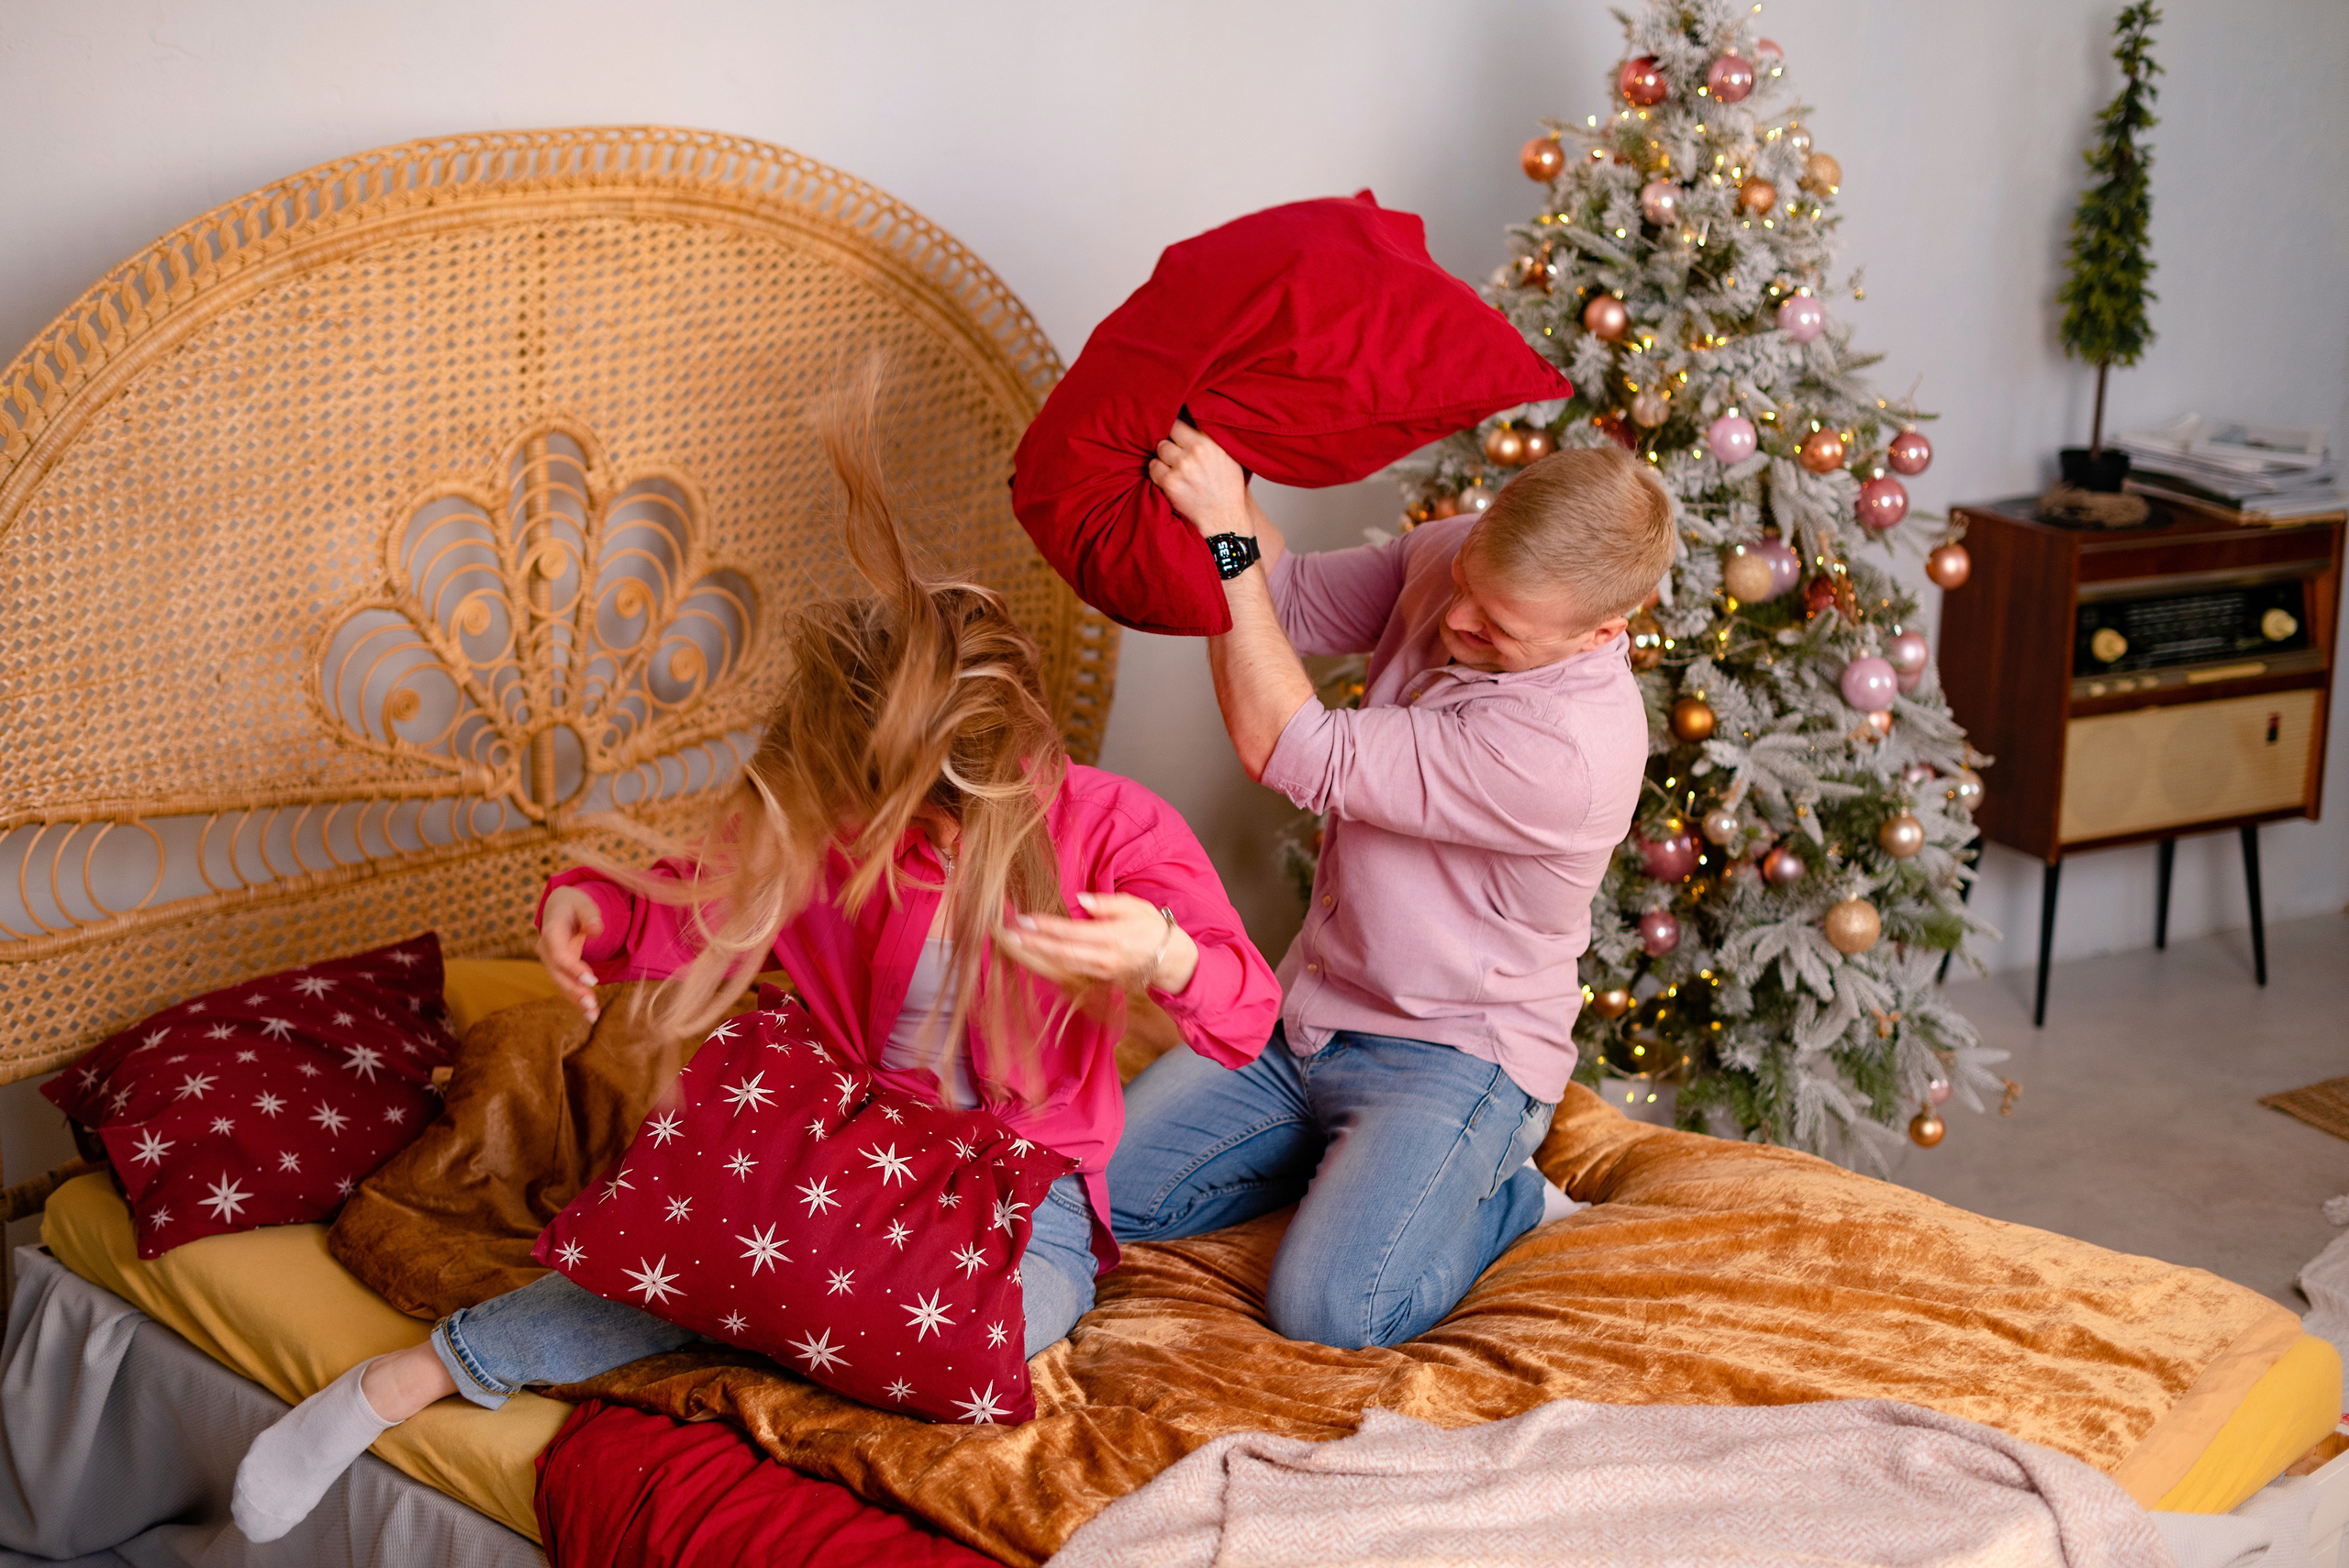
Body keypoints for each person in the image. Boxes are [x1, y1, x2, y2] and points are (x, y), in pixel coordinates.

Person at [229, 365, 1281, 1544]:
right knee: (715, 1256)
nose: (909, 844)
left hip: (1010, 1189)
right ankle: (408, 1378)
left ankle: (762, 1304)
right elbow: (693, 898)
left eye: (933, 823)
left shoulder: (1114, 827)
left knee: (987, 1328)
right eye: (881, 817)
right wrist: (589, 911)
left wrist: (1171, 955)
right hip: (823, 1135)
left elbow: (1245, 1016)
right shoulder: (824, 817)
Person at [1107, 425, 1675, 1351]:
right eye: (1464, 590)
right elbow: (1283, 601)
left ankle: (1507, 1199)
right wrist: (1226, 476)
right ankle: (1347, 1172)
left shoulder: (1565, 751)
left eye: (1500, 627)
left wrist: (1225, 540)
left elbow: (1289, 748)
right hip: (1312, 1011)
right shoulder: (1461, 553)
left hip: (1454, 1052)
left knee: (1333, 1311)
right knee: (1095, 1185)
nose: (1458, 623)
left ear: (1602, 630)